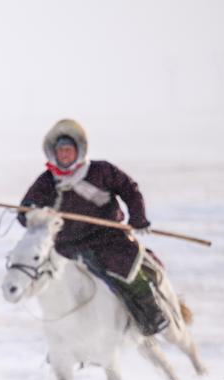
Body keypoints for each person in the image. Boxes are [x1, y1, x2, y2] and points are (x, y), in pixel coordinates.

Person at [17, 119, 168, 335]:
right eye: (61, 151)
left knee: (125, 268)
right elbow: (25, 211)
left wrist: (138, 218)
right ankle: (64, 339)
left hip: (107, 238)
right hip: (67, 245)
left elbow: (130, 190)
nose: (65, 155)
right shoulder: (47, 181)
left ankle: (152, 314)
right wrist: (34, 214)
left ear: (79, 151)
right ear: (53, 153)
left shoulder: (101, 171)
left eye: (69, 150)